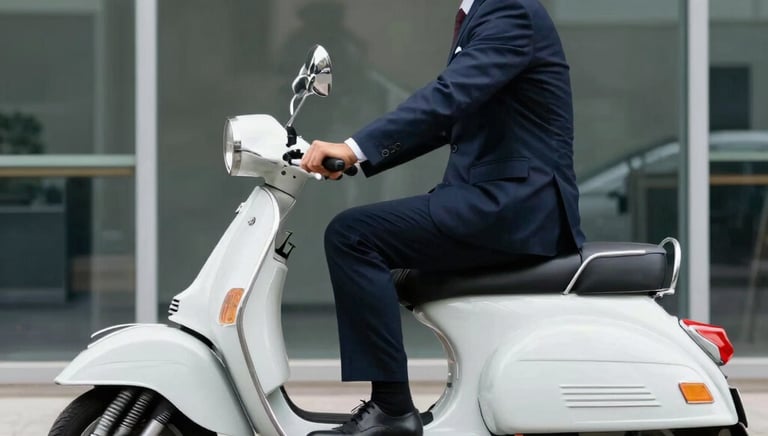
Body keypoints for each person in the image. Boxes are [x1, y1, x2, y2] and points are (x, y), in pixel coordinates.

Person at [301, 0, 585, 434]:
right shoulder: (484, 13)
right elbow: (447, 120)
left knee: (352, 236)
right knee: (374, 256)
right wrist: (357, 159)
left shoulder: (509, 9)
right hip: (501, 201)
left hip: (514, 206)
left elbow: (449, 97)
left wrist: (354, 147)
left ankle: (392, 408)